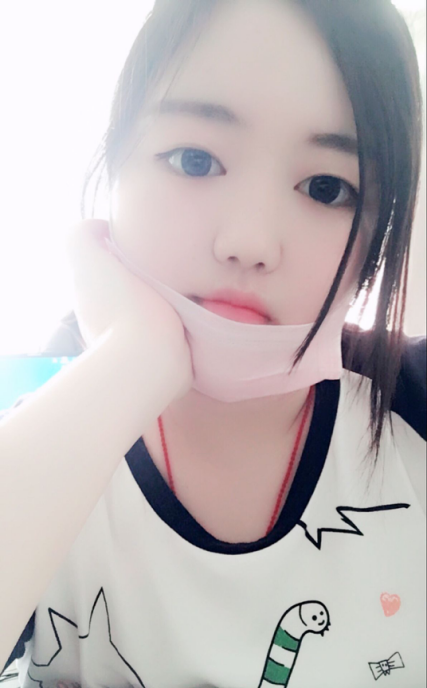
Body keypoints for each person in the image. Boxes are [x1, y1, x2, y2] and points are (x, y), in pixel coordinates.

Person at [0, 0, 425, 685]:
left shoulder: (411, 404)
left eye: (326, 188)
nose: (248, 241)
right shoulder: (48, 434)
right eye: (194, 159)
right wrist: (135, 358)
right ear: (115, 168)